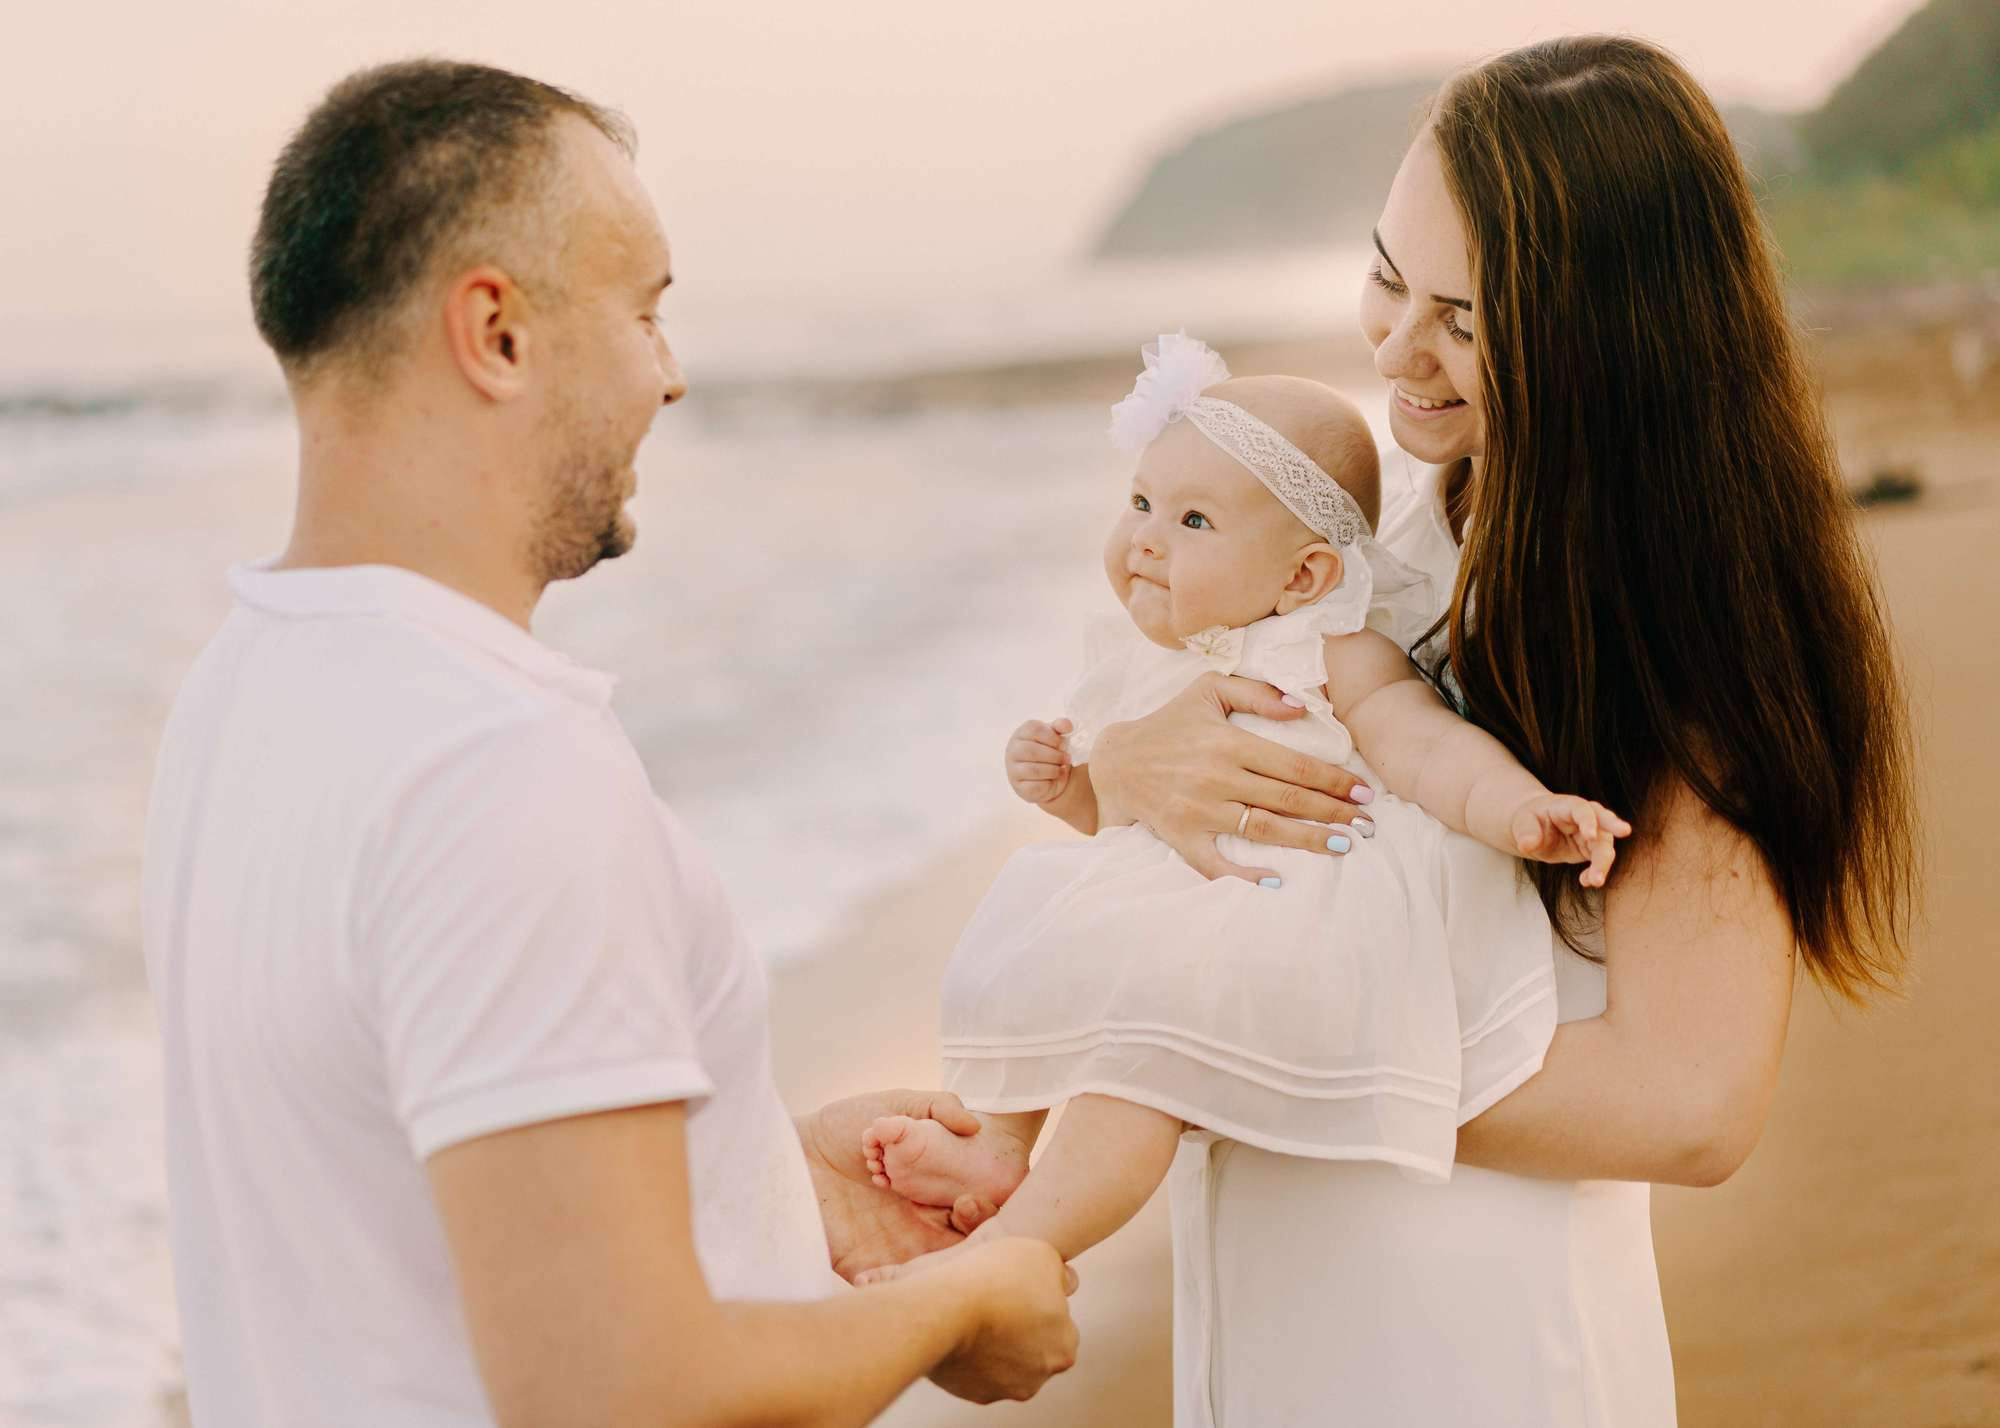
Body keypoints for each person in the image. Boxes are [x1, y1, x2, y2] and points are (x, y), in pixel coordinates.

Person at [933, 37, 1915, 1426]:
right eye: (1388, 279)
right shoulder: (1427, 527)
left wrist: (1225, 1048)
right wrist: (1136, 771)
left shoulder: (1682, 617)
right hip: (1288, 1282)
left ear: (1612, 332)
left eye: (1464, 313)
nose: (1397, 349)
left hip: (1474, 1339)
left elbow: (1692, 1103)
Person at [139, 60, 1075, 1428]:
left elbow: (384, 1185)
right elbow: (619, 1392)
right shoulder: (494, 765)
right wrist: (973, 1297)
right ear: (497, 333)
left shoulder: (246, 685)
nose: (671, 375)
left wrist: (744, 1164)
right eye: (644, 311)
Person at [853, 337, 1628, 1273]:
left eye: (1192, 520)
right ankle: (999, 1143)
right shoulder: (1143, 670)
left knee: (1135, 1066)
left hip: (1280, 907)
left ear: (1303, 577)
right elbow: (1123, 822)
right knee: (1040, 958)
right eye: (1140, 503)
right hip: (1170, 900)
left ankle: (1019, 1250)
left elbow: (1425, 748)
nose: (1144, 537)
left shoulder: (1333, 651)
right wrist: (1072, 789)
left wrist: (1518, 810)